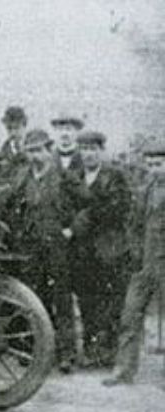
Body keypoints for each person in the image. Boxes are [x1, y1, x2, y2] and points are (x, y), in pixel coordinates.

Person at [0, 129, 83, 373]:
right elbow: (9, 202)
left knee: (62, 299)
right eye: (30, 151)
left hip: (58, 247)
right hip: (30, 248)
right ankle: (37, 350)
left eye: (38, 150)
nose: (34, 156)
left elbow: (87, 206)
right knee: (35, 299)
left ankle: (66, 354)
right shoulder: (23, 176)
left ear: (49, 150)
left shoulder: (64, 177)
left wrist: (72, 229)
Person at [103, 142, 165, 386]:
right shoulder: (145, 189)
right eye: (149, 164)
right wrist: (136, 249)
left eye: (159, 164)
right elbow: (133, 224)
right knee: (130, 315)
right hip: (144, 265)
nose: (153, 169)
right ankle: (124, 370)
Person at [70, 131, 132, 367]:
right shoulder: (75, 177)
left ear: (101, 151)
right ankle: (91, 348)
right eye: (84, 149)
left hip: (110, 250)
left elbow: (118, 209)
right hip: (83, 253)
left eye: (93, 149)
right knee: (87, 301)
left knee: (112, 302)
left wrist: (87, 216)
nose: (88, 154)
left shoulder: (114, 176)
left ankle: (110, 351)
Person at [50, 113, 85, 179]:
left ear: (77, 132)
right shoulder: (49, 157)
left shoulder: (84, 156)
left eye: (68, 129)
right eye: (60, 129)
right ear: (55, 131)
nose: (64, 133)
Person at [0, 106, 28, 181]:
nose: (13, 133)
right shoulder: (4, 149)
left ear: (24, 126)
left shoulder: (31, 146)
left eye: (16, 128)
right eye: (9, 128)